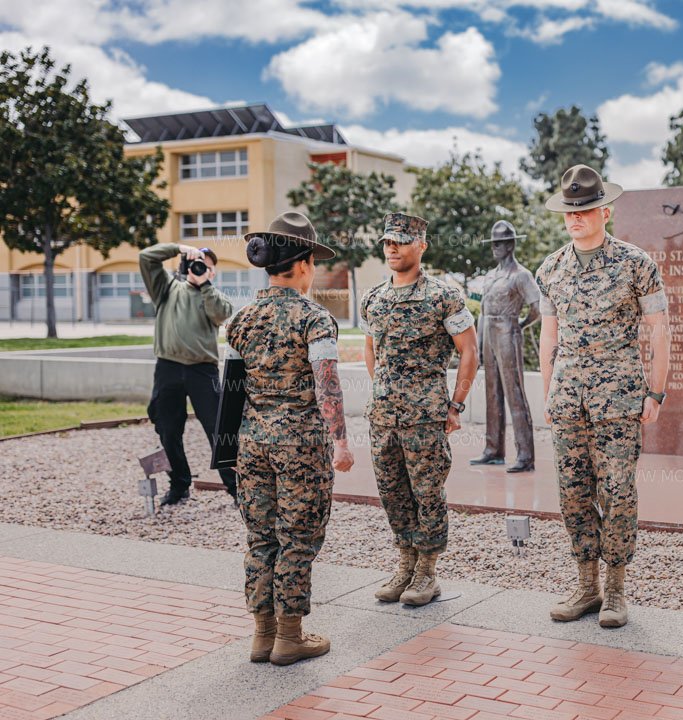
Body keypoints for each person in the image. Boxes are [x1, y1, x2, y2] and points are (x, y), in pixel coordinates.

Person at [535, 164, 671, 629]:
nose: (576, 218)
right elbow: (548, 337)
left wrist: (656, 391)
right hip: (569, 395)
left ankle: (615, 590)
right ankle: (586, 586)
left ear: (605, 212)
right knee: (573, 492)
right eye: (569, 211)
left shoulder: (637, 264)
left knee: (617, 490)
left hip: (619, 394)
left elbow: (658, 332)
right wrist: (549, 391)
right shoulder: (550, 268)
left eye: (585, 210)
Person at [226, 211, 355, 666]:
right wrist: (340, 441)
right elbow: (327, 383)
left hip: (252, 442)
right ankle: (290, 637)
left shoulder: (241, 319)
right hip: (300, 444)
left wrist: (228, 453)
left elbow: (230, 390)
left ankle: (261, 635)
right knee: (298, 538)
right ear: (302, 264)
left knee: (260, 537)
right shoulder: (314, 318)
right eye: (313, 262)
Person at [359, 212, 479, 608]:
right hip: (383, 417)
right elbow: (371, 348)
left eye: (400, 241)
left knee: (427, 492)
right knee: (392, 492)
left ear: (421, 245)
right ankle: (404, 563)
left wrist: (455, 405)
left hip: (425, 416)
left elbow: (469, 352)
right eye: (387, 241)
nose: (391, 247)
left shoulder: (443, 295)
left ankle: (427, 570)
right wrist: (382, 391)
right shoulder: (373, 298)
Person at [138, 242, 237, 505]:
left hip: (202, 371)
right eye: (196, 263)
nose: (199, 268)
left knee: (218, 430)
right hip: (167, 368)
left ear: (212, 273)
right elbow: (146, 257)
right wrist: (178, 248)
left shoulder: (214, 296)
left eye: (206, 267)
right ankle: (179, 485)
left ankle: (236, 488)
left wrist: (203, 283)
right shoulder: (167, 289)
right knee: (168, 430)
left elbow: (221, 315)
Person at [470, 220, 541, 473]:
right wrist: (479, 344)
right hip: (489, 333)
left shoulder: (521, 275)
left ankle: (525, 455)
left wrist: (519, 325)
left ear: (510, 245)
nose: (495, 248)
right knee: (492, 393)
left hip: (508, 331)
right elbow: (483, 312)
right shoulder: (490, 275)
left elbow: (537, 307)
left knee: (515, 393)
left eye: (499, 243)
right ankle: (493, 449)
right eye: (493, 243)